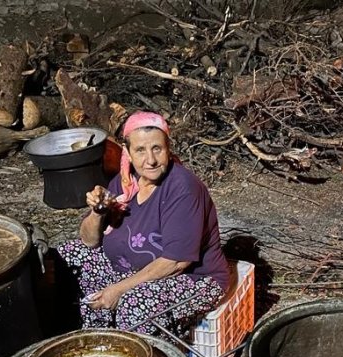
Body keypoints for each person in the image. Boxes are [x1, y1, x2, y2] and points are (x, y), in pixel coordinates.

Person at [56, 111, 230, 337]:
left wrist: (118, 290)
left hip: (194, 280)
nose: (150, 160)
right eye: (140, 150)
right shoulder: (125, 182)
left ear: (168, 148)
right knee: (70, 254)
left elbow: (176, 263)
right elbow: (89, 241)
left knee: (134, 302)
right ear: (127, 152)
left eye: (157, 148)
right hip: (134, 270)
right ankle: (98, 335)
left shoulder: (183, 189)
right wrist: (98, 212)